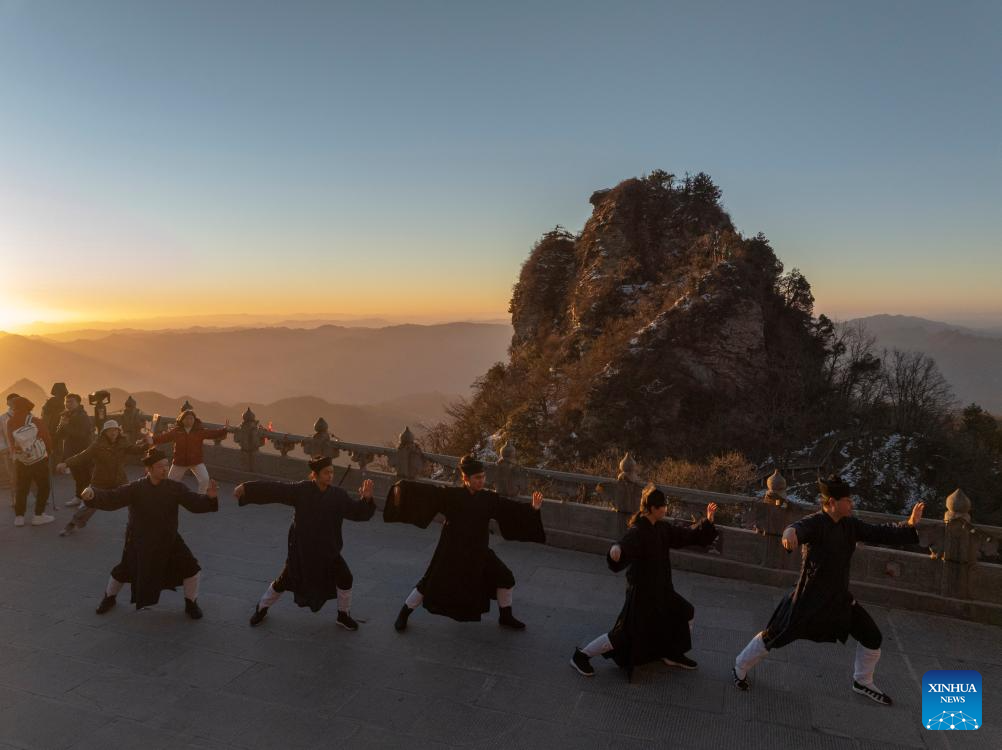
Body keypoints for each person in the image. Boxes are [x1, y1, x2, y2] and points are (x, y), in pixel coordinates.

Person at [732, 475, 924, 705]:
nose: (852, 504)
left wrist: (909, 524)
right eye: (847, 500)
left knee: (872, 636)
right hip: (807, 599)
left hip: (838, 598)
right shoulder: (816, 523)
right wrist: (788, 534)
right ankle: (739, 666)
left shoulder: (849, 525)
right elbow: (796, 528)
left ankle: (862, 681)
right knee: (774, 635)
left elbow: (879, 532)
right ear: (832, 502)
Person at [571, 486, 718, 680]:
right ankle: (582, 655)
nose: (665, 509)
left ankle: (672, 652)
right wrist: (616, 552)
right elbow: (623, 545)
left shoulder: (662, 528)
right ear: (652, 508)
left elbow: (687, 536)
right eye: (663, 506)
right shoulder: (638, 531)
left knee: (685, 611)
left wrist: (708, 521)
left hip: (662, 590)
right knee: (622, 635)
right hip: (641, 594)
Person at [385, 454, 545, 631]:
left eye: (483, 477)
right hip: (451, 550)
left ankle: (505, 616)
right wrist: (400, 489)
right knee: (430, 582)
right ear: (465, 478)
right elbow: (426, 493)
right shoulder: (451, 496)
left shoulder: (488, 499)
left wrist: (532, 509)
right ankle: (403, 614)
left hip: (478, 550)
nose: (481, 481)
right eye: (477, 478)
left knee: (505, 577)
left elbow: (508, 509)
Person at [234, 456, 376, 630]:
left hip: (328, 551)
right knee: (283, 581)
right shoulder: (302, 490)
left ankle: (343, 615)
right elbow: (275, 490)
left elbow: (356, 513)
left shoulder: (338, 496)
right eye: (326, 473)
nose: (330, 476)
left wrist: (366, 500)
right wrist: (247, 488)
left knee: (346, 577)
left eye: (332, 472)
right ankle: (261, 608)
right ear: (314, 475)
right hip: (302, 551)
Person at [80, 447, 218, 618]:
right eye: (160, 466)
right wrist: (93, 496)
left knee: (192, 568)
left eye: (166, 465)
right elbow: (113, 498)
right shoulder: (136, 488)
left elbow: (194, 503)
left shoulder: (175, 487)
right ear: (149, 469)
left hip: (168, 539)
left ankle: (191, 603)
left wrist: (209, 499)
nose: (165, 469)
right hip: (139, 540)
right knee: (123, 571)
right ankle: (109, 598)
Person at [58, 419, 148, 536]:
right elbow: (82, 456)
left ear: (118, 431)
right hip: (100, 480)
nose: (113, 433)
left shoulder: (123, 443)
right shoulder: (97, 445)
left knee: (133, 500)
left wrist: (148, 444)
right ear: (104, 432)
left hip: (119, 478)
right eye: (110, 430)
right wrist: (66, 463)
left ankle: (140, 526)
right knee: (90, 504)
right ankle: (72, 524)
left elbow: (136, 450)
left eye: (115, 430)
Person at [4, 396, 55, 527]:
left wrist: (15, 454)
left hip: (21, 460)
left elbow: (11, 441)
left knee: (22, 488)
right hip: (39, 459)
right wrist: (49, 452)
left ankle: (19, 517)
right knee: (43, 487)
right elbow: (47, 438)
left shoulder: (9, 422)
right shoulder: (36, 420)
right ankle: (38, 515)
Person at [151, 408, 227, 493]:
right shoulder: (177, 431)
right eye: (186, 418)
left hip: (196, 461)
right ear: (182, 420)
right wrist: (152, 440)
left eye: (191, 418)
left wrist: (224, 430)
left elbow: (213, 433)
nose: (189, 421)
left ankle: (201, 497)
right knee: (170, 482)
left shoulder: (199, 431)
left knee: (205, 479)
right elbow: (164, 437)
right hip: (179, 462)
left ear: (194, 420)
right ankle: (168, 498)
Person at [55, 392, 95, 507]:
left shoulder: (83, 416)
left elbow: (81, 434)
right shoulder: (65, 416)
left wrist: (66, 425)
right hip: (70, 451)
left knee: (85, 476)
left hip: (83, 450)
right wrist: (61, 425)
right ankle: (78, 497)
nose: (68, 404)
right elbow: (59, 436)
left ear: (78, 403)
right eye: (66, 402)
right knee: (77, 476)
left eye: (71, 401)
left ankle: (87, 499)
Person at [42, 382, 69, 473]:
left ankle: (52, 470)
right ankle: (57, 470)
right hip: (55, 430)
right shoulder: (58, 402)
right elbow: (59, 417)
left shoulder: (50, 402)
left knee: (51, 451)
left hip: (50, 430)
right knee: (57, 451)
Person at [0, 393, 19, 508]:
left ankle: (38, 497)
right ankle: (15, 499)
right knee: (13, 477)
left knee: (31, 475)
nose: (13, 403)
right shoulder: (3, 417)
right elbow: (0, 436)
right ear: (7, 403)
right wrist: (4, 449)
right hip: (9, 451)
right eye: (11, 401)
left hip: (27, 451)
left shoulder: (28, 415)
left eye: (16, 401)